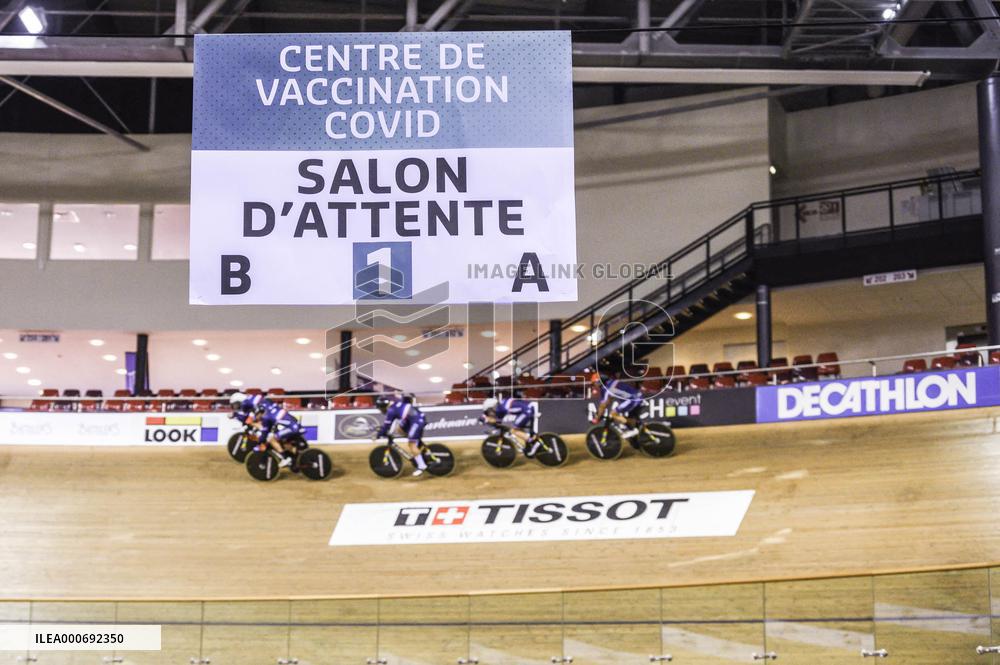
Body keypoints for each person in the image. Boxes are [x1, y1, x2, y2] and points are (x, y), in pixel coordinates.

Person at [229, 391, 301, 467]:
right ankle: (295, 454)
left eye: (236, 405)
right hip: (283, 419)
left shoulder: (252, 406)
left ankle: (285, 458)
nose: (236, 408)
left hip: (285, 424)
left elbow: (261, 427)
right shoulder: (253, 399)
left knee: (271, 439)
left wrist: (261, 442)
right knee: (275, 438)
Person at [374, 394, 429, 477]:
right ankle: (416, 440)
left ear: (383, 407)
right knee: (399, 429)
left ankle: (421, 466)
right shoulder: (393, 405)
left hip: (416, 420)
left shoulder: (391, 411)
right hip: (412, 418)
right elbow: (391, 424)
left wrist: (379, 434)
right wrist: (386, 431)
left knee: (411, 444)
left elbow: (386, 425)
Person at [592, 375, 645, 445]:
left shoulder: (607, 388)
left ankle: (634, 430)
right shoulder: (612, 382)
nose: (593, 385)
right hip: (637, 396)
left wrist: (597, 417)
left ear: (599, 382)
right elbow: (609, 400)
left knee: (613, 414)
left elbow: (603, 405)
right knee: (628, 419)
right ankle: (636, 433)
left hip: (632, 400)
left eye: (593, 383)